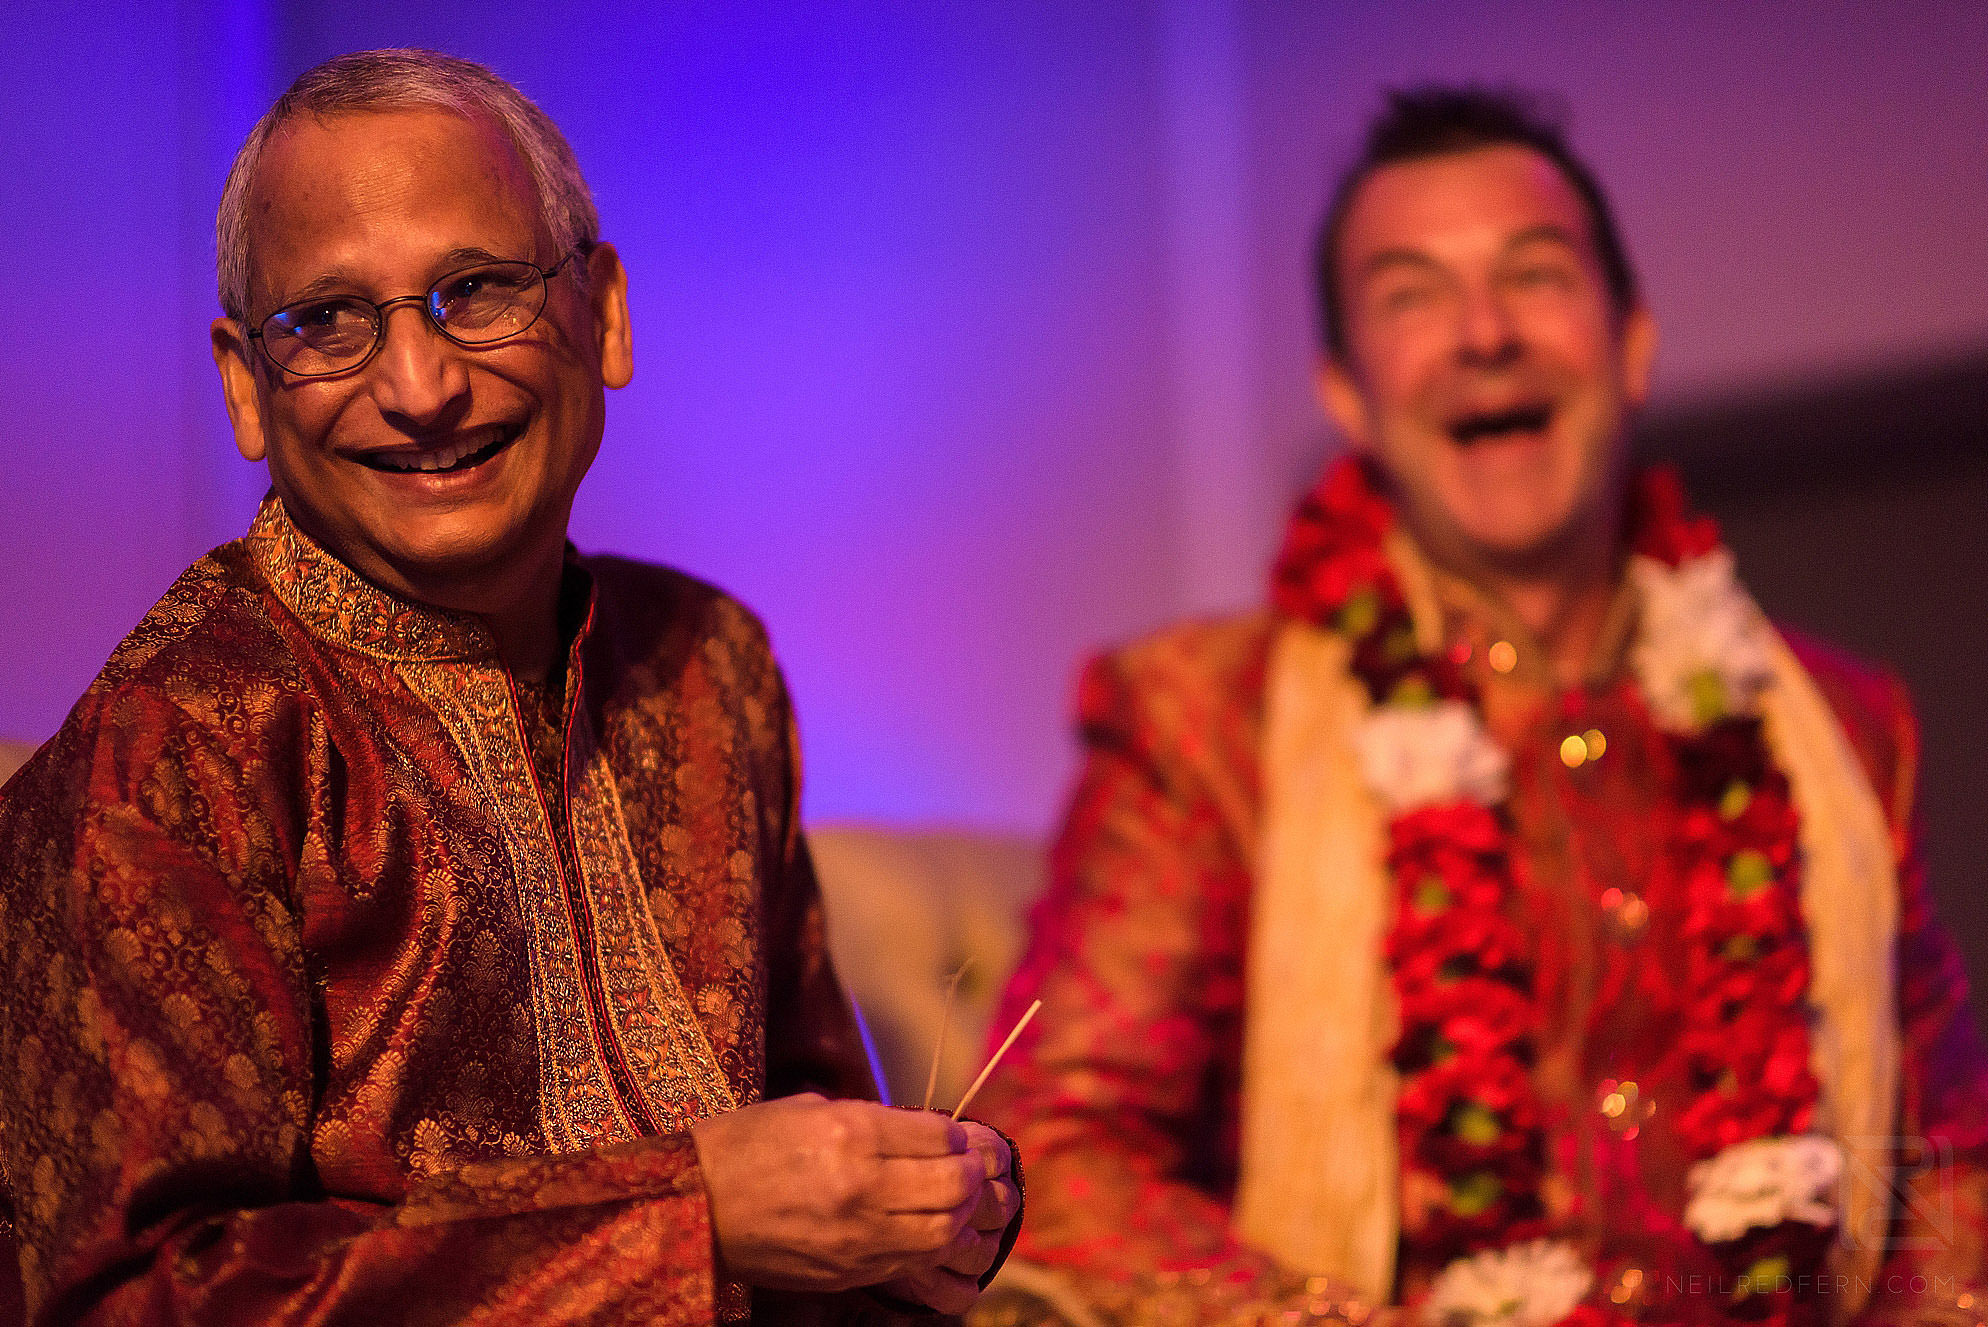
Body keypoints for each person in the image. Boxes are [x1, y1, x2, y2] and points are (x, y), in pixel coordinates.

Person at [0, 49, 1019, 1326]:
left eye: (475, 290)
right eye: (326, 320)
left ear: (602, 313)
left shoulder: (709, 667)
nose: (419, 388)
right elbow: (140, 1301)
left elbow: (827, 1179)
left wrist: (925, 1214)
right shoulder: (169, 749)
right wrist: (685, 1221)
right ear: (244, 386)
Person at [978, 87, 1986, 1327]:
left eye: (1534, 273)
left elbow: (1944, 1174)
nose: (1481, 331)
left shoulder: (1842, 727)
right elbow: (1055, 1153)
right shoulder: (1205, 719)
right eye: (1409, 295)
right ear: (1345, 393)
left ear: (1629, 342)